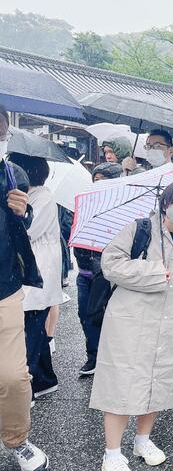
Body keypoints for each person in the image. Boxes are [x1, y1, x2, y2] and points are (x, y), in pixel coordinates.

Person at [90, 182, 173, 471]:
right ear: (164, 203)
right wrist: (155, 272)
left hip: (170, 318)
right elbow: (111, 264)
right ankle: (112, 452)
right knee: (122, 382)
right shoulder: (139, 229)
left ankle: (142, 440)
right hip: (130, 319)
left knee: (159, 379)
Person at [0, 105, 50, 470]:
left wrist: (23, 212)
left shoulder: (11, 173)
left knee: (14, 378)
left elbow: (22, 227)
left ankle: (16, 440)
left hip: (5, 288)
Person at [8, 154, 62, 400]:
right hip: (34, 273)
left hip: (39, 273)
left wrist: (16, 214)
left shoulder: (43, 198)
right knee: (35, 330)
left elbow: (29, 230)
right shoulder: (30, 194)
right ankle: (45, 380)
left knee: (29, 332)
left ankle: (27, 389)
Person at [73, 162, 124, 376]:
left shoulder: (122, 210)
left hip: (106, 273)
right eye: (96, 180)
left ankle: (108, 357)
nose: (98, 184)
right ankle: (93, 356)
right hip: (84, 271)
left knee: (101, 315)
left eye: (103, 181)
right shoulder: (86, 204)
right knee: (84, 314)